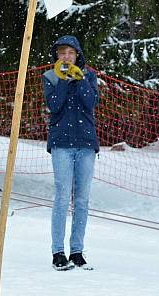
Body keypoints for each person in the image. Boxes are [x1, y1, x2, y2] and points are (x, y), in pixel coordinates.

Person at [42, 35, 99, 271]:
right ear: (57, 55)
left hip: (85, 143)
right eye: (62, 52)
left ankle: (77, 250)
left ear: (77, 55)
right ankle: (58, 251)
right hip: (61, 144)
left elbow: (91, 102)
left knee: (82, 199)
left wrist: (81, 79)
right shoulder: (50, 77)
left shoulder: (89, 76)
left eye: (71, 53)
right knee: (62, 197)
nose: (66, 57)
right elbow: (54, 105)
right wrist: (65, 80)